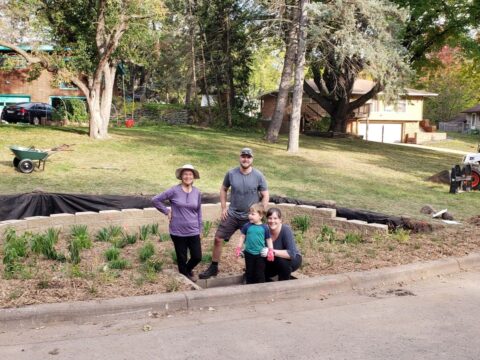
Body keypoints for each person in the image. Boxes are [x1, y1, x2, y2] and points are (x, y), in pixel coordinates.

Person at [199, 147, 269, 279]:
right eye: (243, 156)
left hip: (250, 217)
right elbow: (223, 189)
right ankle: (214, 267)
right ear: (240, 157)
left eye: (248, 157)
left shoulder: (258, 175)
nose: (245, 159)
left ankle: (251, 271)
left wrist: (261, 212)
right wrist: (224, 208)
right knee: (218, 238)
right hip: (232, 214)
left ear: (252, 159)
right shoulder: (231, 173)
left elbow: (265, 195)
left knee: (254, 244)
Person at [152, 164, 202, 281]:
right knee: (181, 257)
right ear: (181, 176)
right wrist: (166, 211)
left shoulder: (197, 192)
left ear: (193, 177)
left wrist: (201, 229)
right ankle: (185, 278)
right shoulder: (174, 190)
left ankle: (187, 270)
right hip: (177, 231)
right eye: (185, 174)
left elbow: (199, 211)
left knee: (197, 257)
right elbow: (155, 200)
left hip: (193, 230)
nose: (187, 176)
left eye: (190, 174)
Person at [235, 203, 274, 284]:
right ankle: (249, 286)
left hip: (260, 254)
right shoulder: (247, 226)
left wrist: (270, 250)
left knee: (260, 272)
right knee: (249, 271)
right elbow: (242, 237)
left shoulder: (265, 228)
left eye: (253, 214)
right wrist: (238, 248)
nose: (250, 215)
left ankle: (261, 287)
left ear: (260, 216)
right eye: (249, 213)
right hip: (248, 253)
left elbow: (269, 239)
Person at [264, 207, 302, 281]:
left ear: (280, 220)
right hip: (273, 259)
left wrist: (271, 251)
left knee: (281, 261)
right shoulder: (264, 229)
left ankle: (283, 284)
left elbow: (291, 254)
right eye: (270, 218)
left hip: (292, 259)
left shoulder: (285, 230)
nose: (272, 221)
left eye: (275, 218)